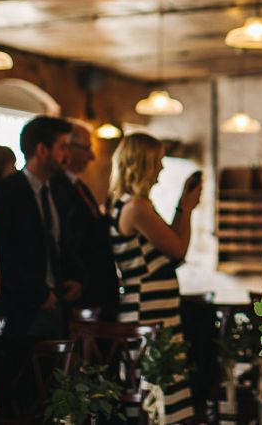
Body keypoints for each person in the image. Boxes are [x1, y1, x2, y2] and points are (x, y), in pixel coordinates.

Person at [108, 133, 201, 424]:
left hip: (153, 305)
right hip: (148, 307)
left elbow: (171, 247)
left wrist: (181, 208)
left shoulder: (127, 203)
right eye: (158, 160)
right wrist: (186, 208)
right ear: (143, 163)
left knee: (162, 386)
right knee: (158, 390)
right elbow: (178, 249)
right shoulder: (137, 207)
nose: (161, 167)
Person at [0, 116, 83, 338]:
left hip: (57, 306)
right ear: (42, 150)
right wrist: (36, 293)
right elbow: (0, 253)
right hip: (18, 311)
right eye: (63, 147)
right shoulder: (5, 192)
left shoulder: (59, 192)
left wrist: (75, 278)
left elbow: (62, 244)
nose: (68, 155)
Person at [51, 122, 118, 320]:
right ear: (68, 150)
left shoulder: (78, 185)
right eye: (87, 148)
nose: (92, 156)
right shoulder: (57, 188)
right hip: (83, 292)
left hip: (97, 288)